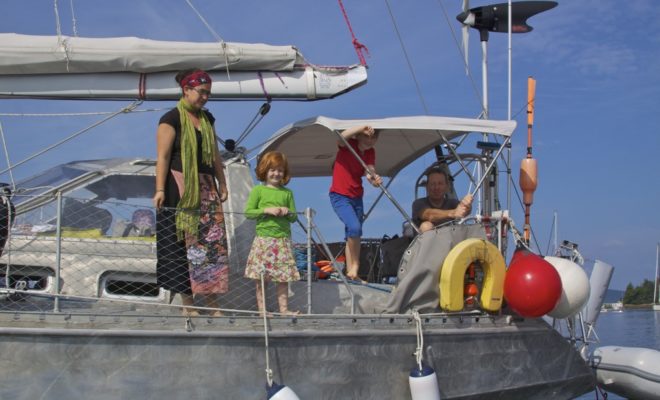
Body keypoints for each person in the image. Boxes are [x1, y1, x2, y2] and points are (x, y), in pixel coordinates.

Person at [153, 68, 229, 317]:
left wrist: (222, 182)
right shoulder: (170, 119)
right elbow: (162, 157)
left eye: (208, 93)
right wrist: (160, 189)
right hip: (180, 186)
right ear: (186, 90)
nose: (205, 97)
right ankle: (188, 304)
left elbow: (215, 155)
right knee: (182, 245)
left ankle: (212, 302)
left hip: (206, 186)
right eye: (201, 92)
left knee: (210, 245)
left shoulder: (208, 120)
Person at [244, 151, 300, 316]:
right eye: (272, 170)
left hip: (282, 241)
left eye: (280, 170)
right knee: (262, 278)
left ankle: (284, 310)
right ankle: (262, 310)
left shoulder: (287, 193)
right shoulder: (258, 190)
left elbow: (294, 217)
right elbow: (248, 212)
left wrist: (287, 211)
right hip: (264, 240)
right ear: (265, 171)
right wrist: (266, 210)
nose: (276, 173)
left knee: (283, 278)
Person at [329, 125, 382, 282]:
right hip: (339, 195)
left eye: (373, 137)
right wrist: (362, 127)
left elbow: (369, 171)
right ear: (358, 135)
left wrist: (375, 180)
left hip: (357, 197)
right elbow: (341, 137)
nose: (370, 140)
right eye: (367, 136)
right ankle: (356, 265)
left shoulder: (371, 152)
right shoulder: (349, 145)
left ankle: (352, 274)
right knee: (354, 228)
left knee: (353, 234)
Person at [412, 168, 473, 233]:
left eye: (440, 183)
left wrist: (467, 205)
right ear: (427, 187)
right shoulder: (418, 203)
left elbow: (463, 210)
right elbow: (428, 214)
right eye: (432, 184)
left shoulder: (453, 203)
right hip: (427, 242)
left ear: (447, 187)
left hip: (452, 241)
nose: (436, 187)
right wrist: (453, 213)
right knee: (426, 226)